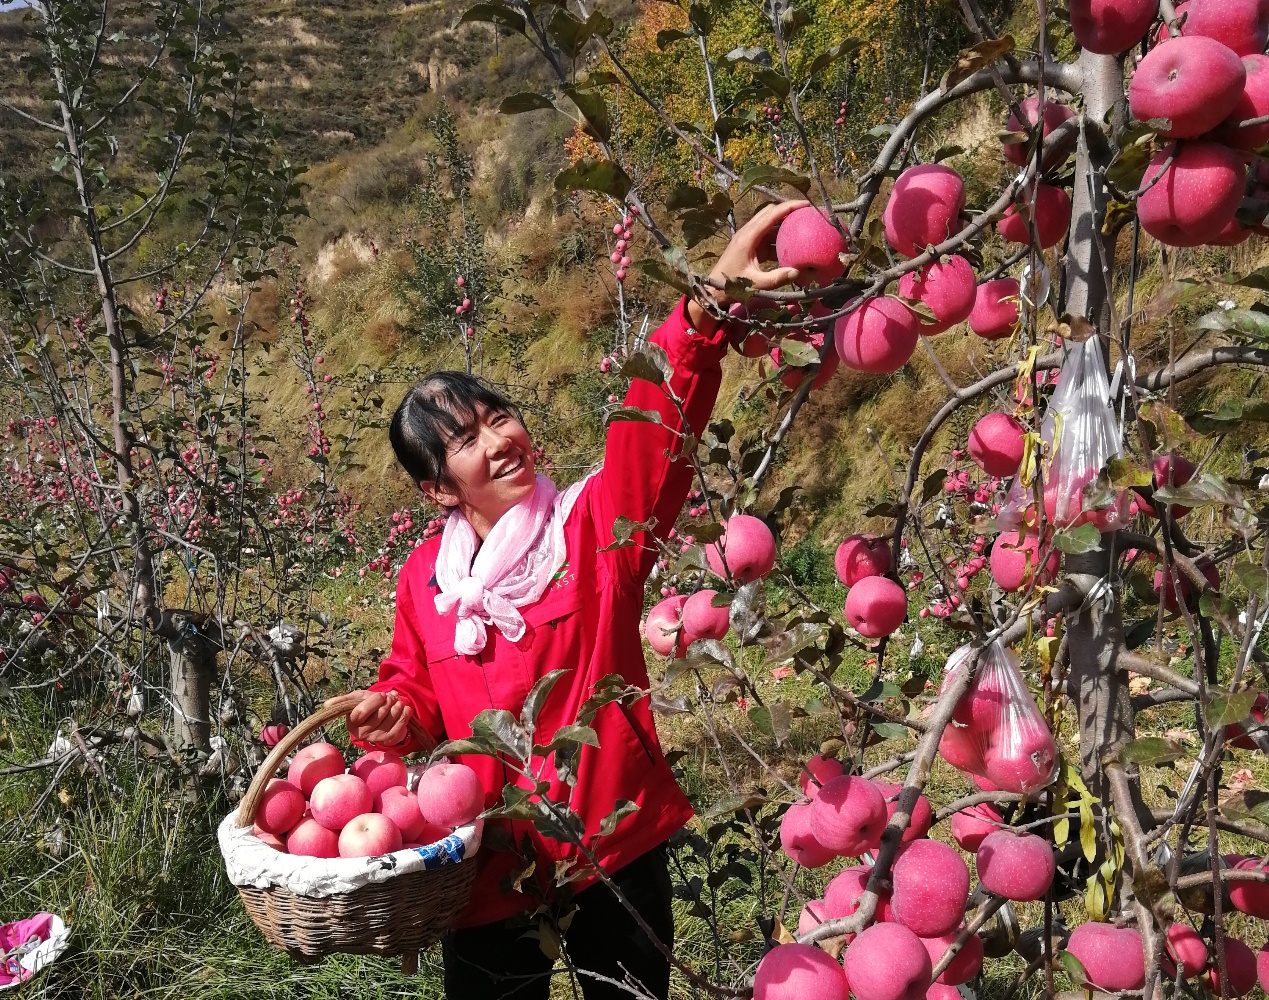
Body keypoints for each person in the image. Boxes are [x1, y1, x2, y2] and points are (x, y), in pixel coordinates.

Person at [340, 201, 807, 999]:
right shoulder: (424, 579)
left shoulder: (589, 527)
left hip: (611, 843)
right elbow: (416, 692)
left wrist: (703, 310)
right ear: (437, 490)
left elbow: (651, 431)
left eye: (498, 418)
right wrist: (394, 713)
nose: (498, 441)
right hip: (486, 867)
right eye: (465, 441)